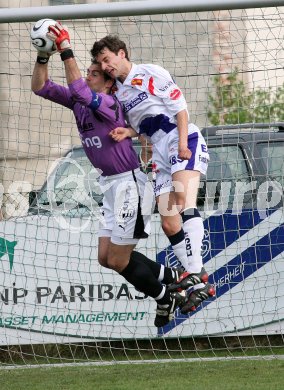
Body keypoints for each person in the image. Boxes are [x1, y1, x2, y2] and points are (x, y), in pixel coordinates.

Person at [31, 22, 184, 328]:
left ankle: (165, 295)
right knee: (105, 258)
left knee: (117, 260)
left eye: (95, 73)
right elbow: (40, 87)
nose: (89, 75)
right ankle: (171, 279)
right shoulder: (80, 102)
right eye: (88, 70)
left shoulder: (110, 104)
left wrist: (66, 49)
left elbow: (79, 90)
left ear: (108, 84)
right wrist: (44, 55)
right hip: (110, 186)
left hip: (129, 184)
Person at [91, 35, 215, 315]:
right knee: (170, 225)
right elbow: (149, 121)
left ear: (122, 53)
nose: (105, 66)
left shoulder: (150, 73)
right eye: (100, 63)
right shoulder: (119, 92)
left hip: (181, 140)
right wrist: (129, 132)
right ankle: (198, 283)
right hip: (159, 153)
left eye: (107, 59)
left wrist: (183, 144)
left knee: (183, 200)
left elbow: (179, 108)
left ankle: (196, 275)